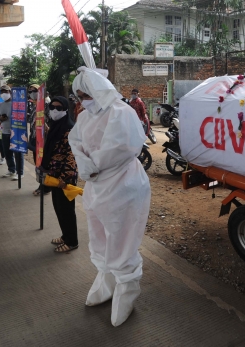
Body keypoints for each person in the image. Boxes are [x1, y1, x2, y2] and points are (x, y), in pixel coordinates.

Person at [69, 67, 151, 327]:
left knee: (122, 236)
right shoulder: (84, 117)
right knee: (99, 235)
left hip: (122, 185)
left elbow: (122, 147)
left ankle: (126, 289)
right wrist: (84, 163)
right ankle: (105, 281)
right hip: (95, 186)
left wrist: (94, 164)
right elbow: (76, 141)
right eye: (79, 96)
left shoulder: (121, 112)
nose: (83, 100)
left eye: (86, 94)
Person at [39, 96, 79, 253]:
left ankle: (72, 241)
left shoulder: (69, 129)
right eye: (52, 107)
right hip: (53, 176)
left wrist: (63, 180)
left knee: (67, 210)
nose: (55, 111)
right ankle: (65, 235)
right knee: (58, 208)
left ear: (66, 110)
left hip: (64, 178)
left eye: (59, 108)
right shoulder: (55, 126)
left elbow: (71, 157)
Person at [0, 85, 23, 180]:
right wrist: (0, 118)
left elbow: (22, 116)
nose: (4, 94)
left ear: (10, 93)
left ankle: (20, 172)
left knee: (17, 152)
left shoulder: (16, 104)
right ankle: (11, 169)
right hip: (4, 132)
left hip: (16, 132)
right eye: (2, 92)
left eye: (6, 92)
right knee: (7, 152)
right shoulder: (0, 105)